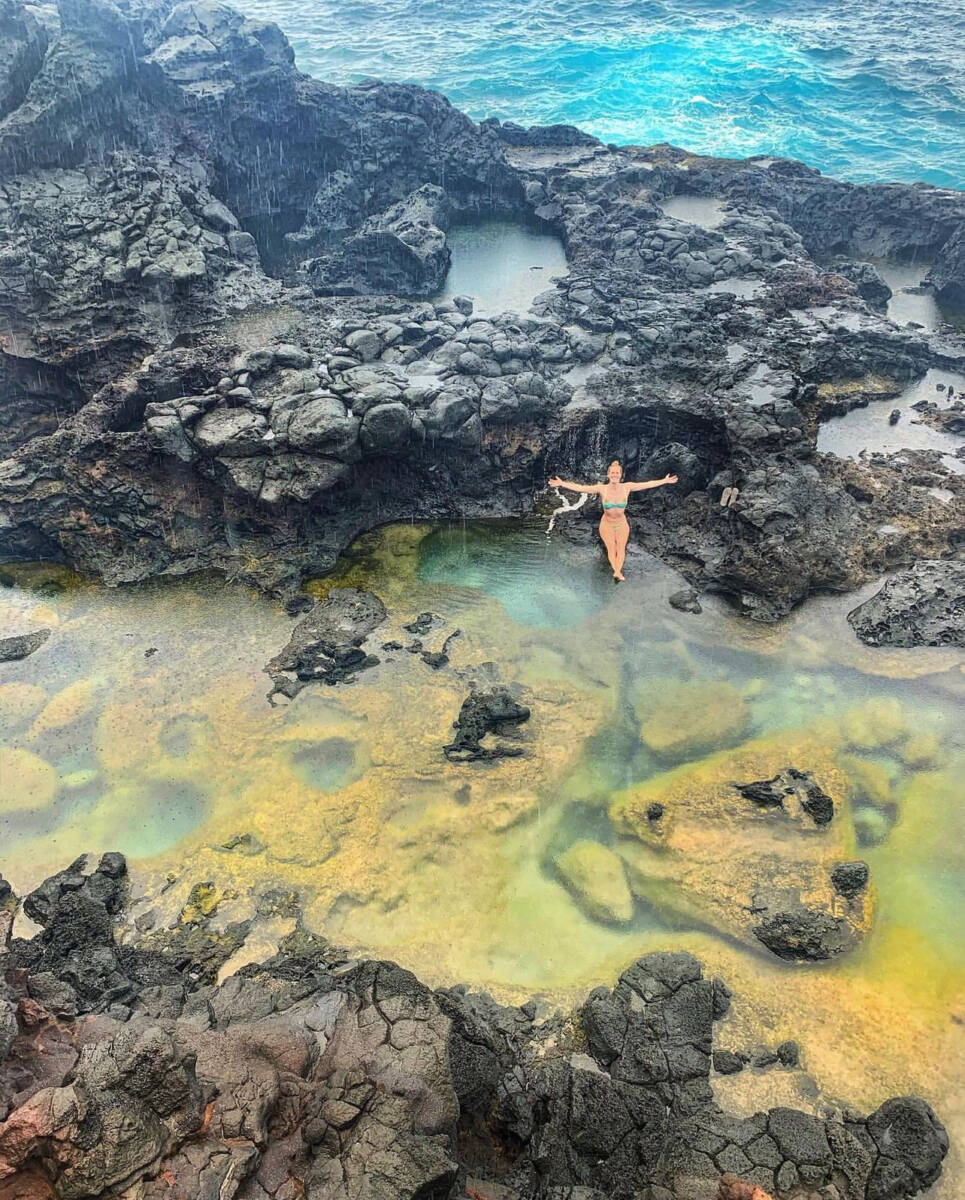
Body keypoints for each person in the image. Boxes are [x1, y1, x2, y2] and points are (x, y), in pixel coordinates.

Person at [548, 460, 678, 581]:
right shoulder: (602, 488)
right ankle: (616, 570)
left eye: (617, 473)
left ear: (620, 475)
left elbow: (647, 484)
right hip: (607, 524)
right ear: (608, 474)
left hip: (621, 523)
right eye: (613, 473)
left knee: (621, 548)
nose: (615, 475)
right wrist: (562, 483)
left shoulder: (627, 487)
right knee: (611, 548)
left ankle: (617, 571)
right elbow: (582, 488)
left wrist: (664, 481)